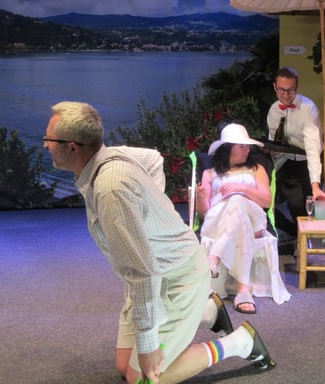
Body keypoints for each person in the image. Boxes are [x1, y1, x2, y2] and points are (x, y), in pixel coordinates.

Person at [44, 101, 275, 384]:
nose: (45, 145)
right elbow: (154, 159)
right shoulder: (108, 156)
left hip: (178, 279)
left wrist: (148, 345)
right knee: (124, 366)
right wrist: (152, 219)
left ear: (72, 148)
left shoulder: (110, 188)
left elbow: (143, 272)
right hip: (159, 273)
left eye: (49, 139)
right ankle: (208, 312)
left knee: (143, 378)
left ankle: (240, 342)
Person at [195, 124, 291, 315]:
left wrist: (240, 189)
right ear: (227, 148)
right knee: (238, 215)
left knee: (237, 200)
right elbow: (205, 212)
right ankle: (243, 290)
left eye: (248, 147)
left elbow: (266, 200)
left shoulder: (256, 169)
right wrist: (201, 197)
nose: (247, 150)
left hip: (253, 218)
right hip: (219, 221)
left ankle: (213, 258)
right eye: (242, 146)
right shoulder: (209, 174)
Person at [267, 67, 325, 239]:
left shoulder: (308, 108)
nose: (286, 95)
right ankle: (296, 234)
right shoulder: (274, 110)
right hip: (285, 160)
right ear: (275, 87)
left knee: (302, 205)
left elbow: (312, 149)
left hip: (307, 161)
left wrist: (315, 186)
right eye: (282, 90)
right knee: (265, 202)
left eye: (291, 90)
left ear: (297, 87)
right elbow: (274, 142)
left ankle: (311, 240)